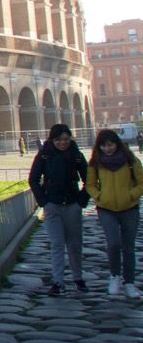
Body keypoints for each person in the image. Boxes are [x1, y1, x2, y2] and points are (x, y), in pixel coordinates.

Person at [28, 124, 89, 296]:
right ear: (52, 140)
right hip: (52, 205)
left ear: (70, 139)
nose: (63, 143)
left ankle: (78, 277)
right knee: (56, 244)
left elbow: (89, 179)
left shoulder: (76, 155)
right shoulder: (44, 155)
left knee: (75, 244)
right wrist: (44, 202)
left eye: (66, 139)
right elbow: (33, 179)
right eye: (59, 140)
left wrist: (81, 201)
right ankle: (58, 281)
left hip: (72, 205)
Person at [86, 128, 142, 298]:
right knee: (113, 244)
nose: (107, 149)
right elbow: (90, 184)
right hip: (106, 209)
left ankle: (130, 282)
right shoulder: (95, 163)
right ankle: (115, 277)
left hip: (129, 208)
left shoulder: (130, 160)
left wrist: (132, 195)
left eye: (110, 145)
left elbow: (141, 182)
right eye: (103, 146)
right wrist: (99, 196)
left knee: (129, 247)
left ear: (117, 144)